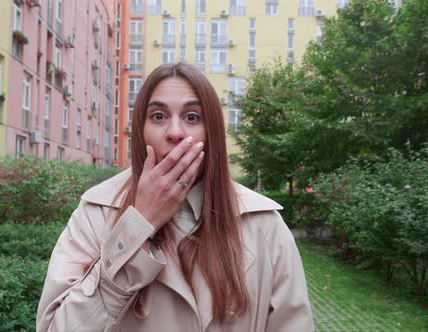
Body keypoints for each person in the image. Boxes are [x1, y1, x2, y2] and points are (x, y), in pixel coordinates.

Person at [36, 63, 314, 332]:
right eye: (158, 116)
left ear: (212, 131)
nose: (175, 133)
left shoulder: (264, 223)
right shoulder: (96, 212)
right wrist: (139, 223)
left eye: (192, 117)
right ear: (140, 130)